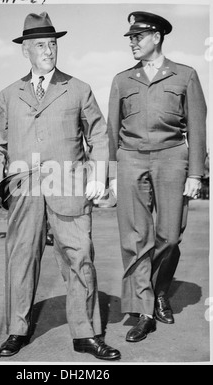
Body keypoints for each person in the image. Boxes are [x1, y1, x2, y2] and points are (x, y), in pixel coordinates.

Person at [0, 12, 121, 361]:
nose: (49, 50)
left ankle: (86, 334)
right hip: (23, 185)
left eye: (53, 44)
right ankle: (17, 329)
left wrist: (97, 175)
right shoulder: (8, 95)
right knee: (21, 260)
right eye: (41, 45)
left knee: (80, 258)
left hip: (69, 183)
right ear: (25, 50)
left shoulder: (78, 88)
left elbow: (99, 135)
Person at [107, 11, 207, 343]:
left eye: (138, 36)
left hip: (172, 157)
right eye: (130, 38)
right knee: (135, 237)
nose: (132, 43)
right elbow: (111, 131)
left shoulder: (185, 75)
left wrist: (196, 173)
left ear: (157, 37)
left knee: (170, 236)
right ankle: (144, 310)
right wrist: (110, 174)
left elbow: (196, 127)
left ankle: (160, 289)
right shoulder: (123, 80)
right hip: (131, 159)